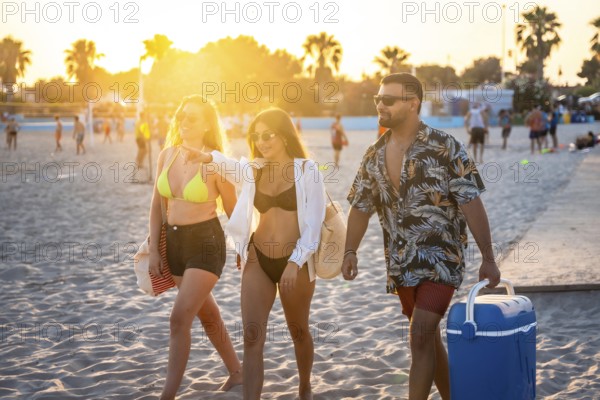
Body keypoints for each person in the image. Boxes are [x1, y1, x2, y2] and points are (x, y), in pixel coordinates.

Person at [342, 73, 501, 400]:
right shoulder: (373, 155)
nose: (380, 105)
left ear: (413, 103)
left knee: (419, 334)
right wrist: (350, 251)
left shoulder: (445, 147)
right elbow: (360, 207)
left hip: (442, 260)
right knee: (428, 338)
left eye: (388, 99)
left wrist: (488, 258)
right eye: (378, 99)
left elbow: (471, 203)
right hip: (402, 264)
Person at [196, 108, 326, 399]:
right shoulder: (255, 168)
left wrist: (295, 262)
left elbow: (314, 225)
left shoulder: (307, 170)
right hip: (259, 258)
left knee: (298, 331)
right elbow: (231, 166)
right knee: (252, 336)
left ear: (284, 134)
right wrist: (209, 157)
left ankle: (304, 385)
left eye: (268, 135)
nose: (262, 141)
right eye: (256, 136)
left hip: (297, 261)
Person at [148, 95, 242, 399]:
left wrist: (244, 246)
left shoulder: (214, 162)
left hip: (206, 244)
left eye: (192, 118)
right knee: (207, 314)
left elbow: (233, 209)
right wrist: (153, 249)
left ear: (206, 125)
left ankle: (168, 395)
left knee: (179, 318)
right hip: (172, 243)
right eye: (182, 116)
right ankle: (238, 373)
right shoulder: (167, 155)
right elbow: (156, 207)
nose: (184, 122)